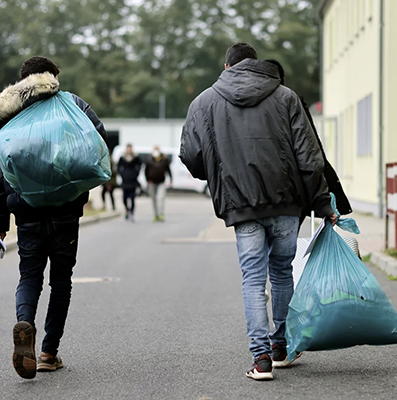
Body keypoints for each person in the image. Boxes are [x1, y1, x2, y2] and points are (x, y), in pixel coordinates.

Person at [180, 43, 338, 381]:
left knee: (253, 278)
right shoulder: (286, 97)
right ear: (257, 64)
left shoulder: (204, 101)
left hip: (240, 203)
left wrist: (219, 171)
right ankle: (281, 346)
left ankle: (262, 359)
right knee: (282, 272)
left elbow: (191, 155)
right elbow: (310, 158)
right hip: (285, 201)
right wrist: (323, 202)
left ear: (227, 67)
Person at [0, 56, 106, 380]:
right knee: (61, 281)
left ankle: (26, 325)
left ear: (22, 82)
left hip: (26, 210)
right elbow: (97, 141)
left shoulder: (6, 115)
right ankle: (49, 353)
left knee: (29, 276)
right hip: (66, 209)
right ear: (54, 77)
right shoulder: (72, 105)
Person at [264, 59, 352, 217]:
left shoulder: (244, 107)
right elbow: (310, 154)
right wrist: (322, 202)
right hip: (292, 194)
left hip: (255, 199)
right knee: (285, 241)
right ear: (283, 81)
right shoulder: (293, 103)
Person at [144, 145, 172, 222]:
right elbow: (146, 171)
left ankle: (161, 214)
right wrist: (147, 180)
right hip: (152, 182)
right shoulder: (149, 160)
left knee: (160, 198)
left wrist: (170, 180)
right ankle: (156, 214)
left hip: (161, 182)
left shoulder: (164, 160)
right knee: (153, 199)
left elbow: (168, 170)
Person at [117, 143, 141, 221]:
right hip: (125, 181)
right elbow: (118, 167)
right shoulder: (122, 158)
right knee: (124, 198)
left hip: (133, 181)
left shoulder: (135, 158)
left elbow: (140, 166)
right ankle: (127, 209)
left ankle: (132, 212)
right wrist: (122, 174)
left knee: (132, 198)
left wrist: (135, 173)